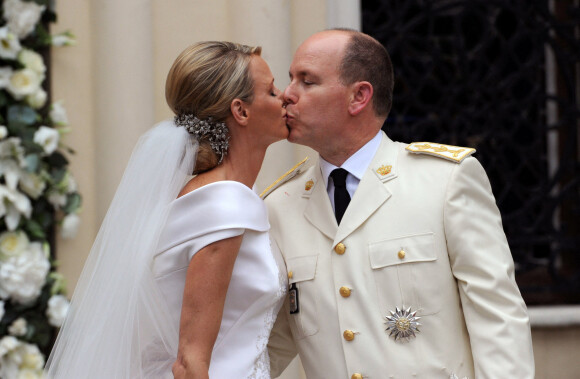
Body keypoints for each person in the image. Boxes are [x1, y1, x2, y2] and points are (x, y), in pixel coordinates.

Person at [265, 29, 535, 378]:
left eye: (307, 81)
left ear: (358, 97)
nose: (287, 94)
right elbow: (270, 343)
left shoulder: (444, 181)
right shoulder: (279, 204)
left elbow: (498, 316)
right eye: (290, 80)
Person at [45, 41, 289, 379]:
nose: (285, 97)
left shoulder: (220, 197)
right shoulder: (224, 205)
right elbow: (189, 362)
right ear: (241, 111)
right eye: (272, 90)